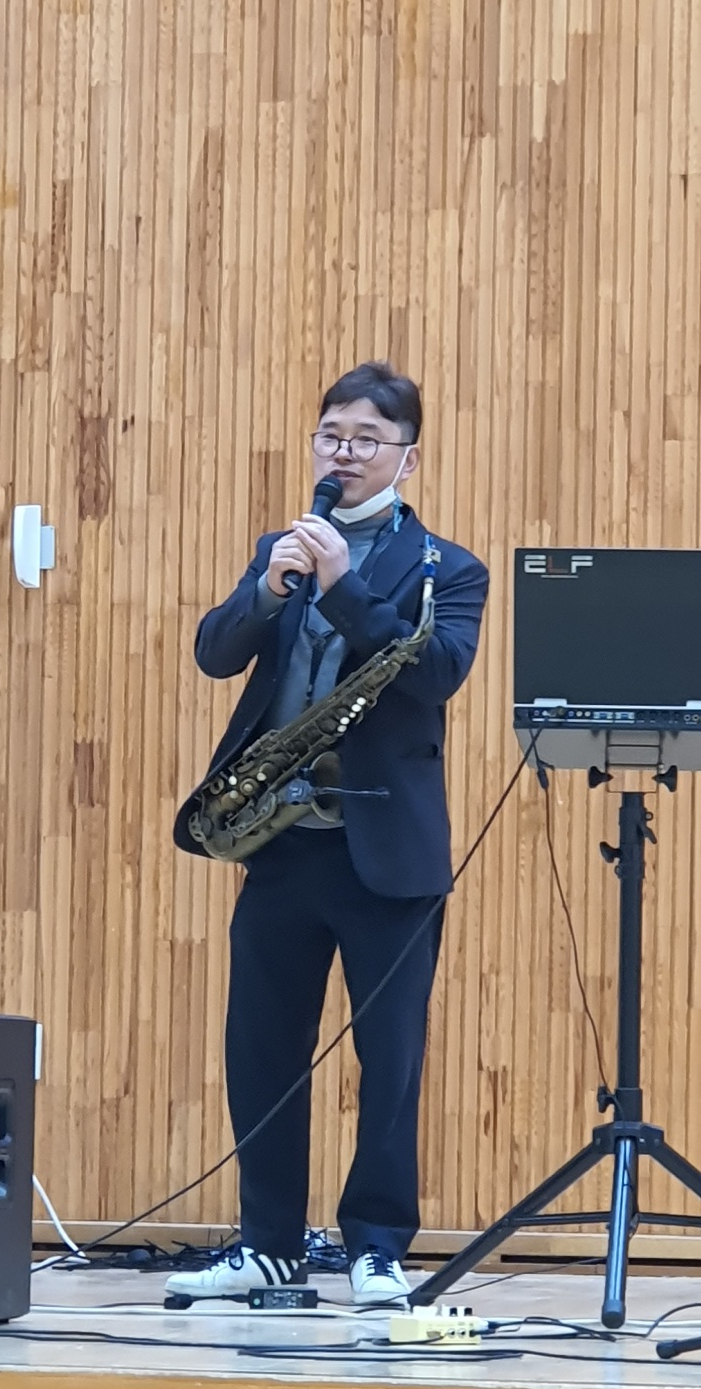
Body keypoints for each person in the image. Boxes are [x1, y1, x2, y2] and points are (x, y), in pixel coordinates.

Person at [169, 361, 488, 1302]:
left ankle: (377, 1247)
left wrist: (344, 586)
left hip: (386, 853)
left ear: (407, 459)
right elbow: (216, 652)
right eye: (331, 436)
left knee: (388, 1060)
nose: (343, 454)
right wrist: (269, 591)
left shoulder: (448, 569)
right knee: (261, 1048)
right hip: (279, 841)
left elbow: (437, 674)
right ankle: (268, 1242)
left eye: (366, 441)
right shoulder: (284, 547)